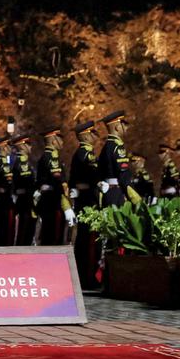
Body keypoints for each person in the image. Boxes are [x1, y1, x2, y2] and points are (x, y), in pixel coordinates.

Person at [70, 120, 100, 287]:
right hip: (88, 200)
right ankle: (87, 277)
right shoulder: (85, 154)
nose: (95, 135)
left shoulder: (81, 153)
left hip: (86, 199)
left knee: (85, 238)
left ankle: (84, 275)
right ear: (85, 135)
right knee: (89, 239)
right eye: (92, 132)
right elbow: (90, 176)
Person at [34, 128, 69, 246]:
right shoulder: (47, 158)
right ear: (53, 140)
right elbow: (51, 183)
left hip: (55, 201)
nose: (62, 142)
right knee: (51, 236)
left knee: (56, 235)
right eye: (60, 139)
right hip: (51, 202)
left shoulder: (54, 158)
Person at [97, 111, 131, 208]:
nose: (126, 128)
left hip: (109, 191)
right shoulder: (117, 146)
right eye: (123, 124)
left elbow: (100, 170)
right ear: (117, 127)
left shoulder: (107, 146)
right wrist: (133, 196)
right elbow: (123, 174)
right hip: (117, 192)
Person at [9, 134, 36, 246]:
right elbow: (24, 183)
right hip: (24, 201)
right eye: (28, 145)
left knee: (28, 231)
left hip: (27, 200)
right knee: (24, 231)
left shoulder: (25, 162)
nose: (30, 147)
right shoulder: (21, 163)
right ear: (22, 146)